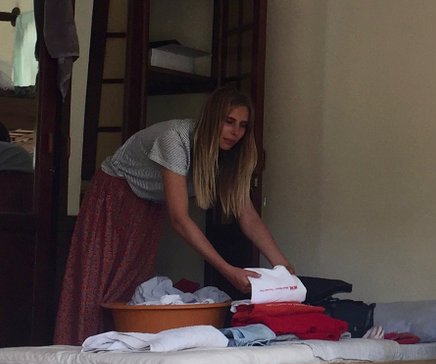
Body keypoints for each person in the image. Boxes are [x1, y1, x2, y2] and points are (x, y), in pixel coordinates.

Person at [53, 87, 292, 344]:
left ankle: (116, 350)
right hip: (114, 194)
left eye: (243, 126)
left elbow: (249, 217)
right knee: (96, 282)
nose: (236, 132)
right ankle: (78, 348)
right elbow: (179, 218)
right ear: (212, 119)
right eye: (229, 122)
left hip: (149, 205)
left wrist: (284, 268)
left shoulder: (229, 157)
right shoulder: (175, 139)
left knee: (131, 286)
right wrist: (228, 270)